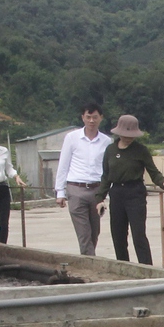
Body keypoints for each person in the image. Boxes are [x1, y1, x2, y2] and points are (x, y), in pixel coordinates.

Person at [102, 114, 164, 264]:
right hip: (117, 193)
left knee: (138, 234)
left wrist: (162, 182)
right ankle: (123, 266)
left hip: (135, 193)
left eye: (131, 135)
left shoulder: (141, 150)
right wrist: (99, 197)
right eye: (125, 135)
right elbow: (106, 176)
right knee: (118, 235)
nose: (128, 138)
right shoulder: (110, 150)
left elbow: (153, 171)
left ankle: (147, 268)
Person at [55, 104, 111, 255]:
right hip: (76, 189)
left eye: (95, 117)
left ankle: (87, 259)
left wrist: (107, 194)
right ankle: (90, 263)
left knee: (94, 231)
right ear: (83, 118)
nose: (91, 121)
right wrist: (60, 192)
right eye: (88, 117)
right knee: (84, 233)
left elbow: (108, 170)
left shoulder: (106, 142)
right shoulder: (72, 138)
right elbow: (63, 164)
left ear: (101, 118)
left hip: (97, 190)